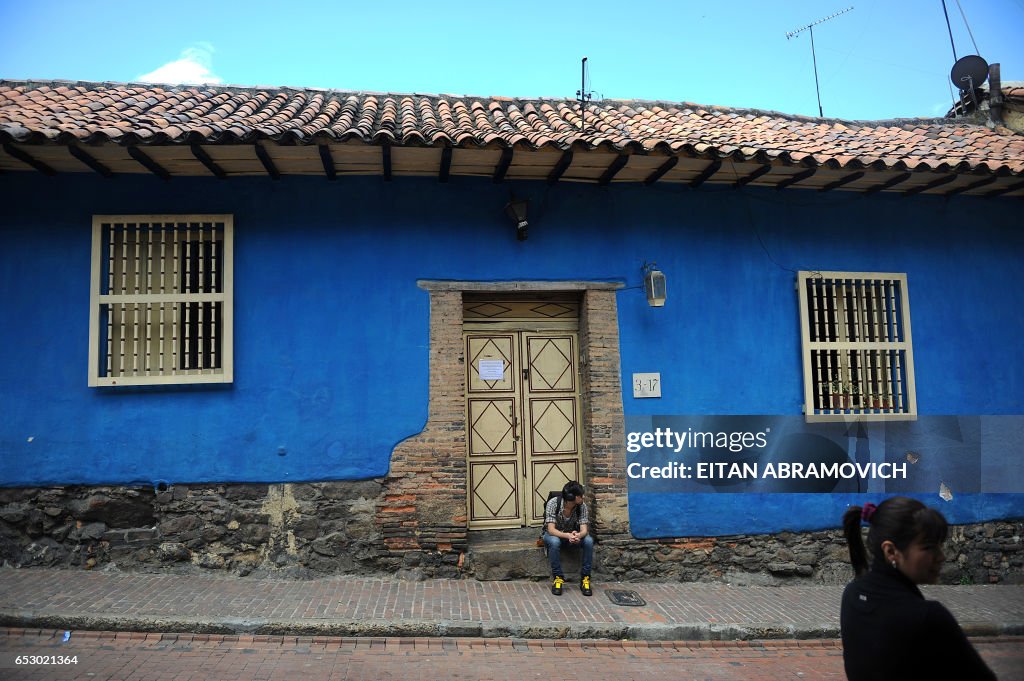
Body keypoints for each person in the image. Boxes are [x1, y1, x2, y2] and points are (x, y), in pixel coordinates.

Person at [840, 496, 996, 680]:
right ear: (891, 551)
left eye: (939, 545)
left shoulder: (852, 594)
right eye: (929, 547)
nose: (941, 556)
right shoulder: (928, 617)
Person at [543, 481, 594, 596]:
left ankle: (585, 578)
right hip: (554, 535)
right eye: (581, 495)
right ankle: (558, 578)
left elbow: (584, 530)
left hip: (573, 535)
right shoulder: (553, 504)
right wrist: (568, 535)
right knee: (554, 542)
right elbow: (551, 530)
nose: (583, 497)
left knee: (589, 541)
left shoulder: (582, 506)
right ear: (575, 497)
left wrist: (577, 536)